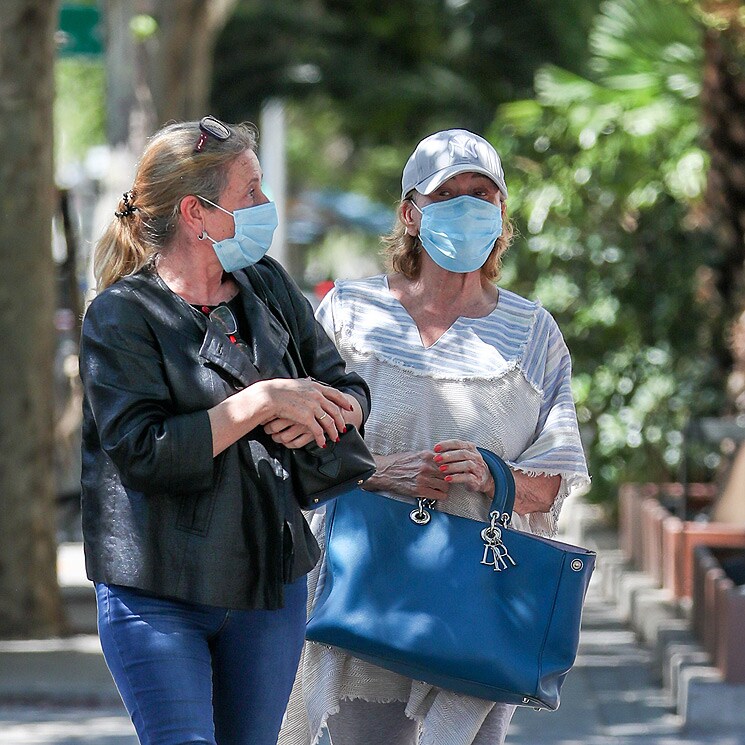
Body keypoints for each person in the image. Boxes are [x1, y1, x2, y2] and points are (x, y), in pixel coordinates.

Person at [278, 129, 590, 745]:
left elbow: (551, 484)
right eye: (448, 194)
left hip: (469, 608)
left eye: (483, 194)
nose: (468, 207)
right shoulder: (348, 313)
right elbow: (293, 444)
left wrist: (492, 473)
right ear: (410, 214)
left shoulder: (532, 333)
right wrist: (382, 469)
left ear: (501, 216)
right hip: (360, 593)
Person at [78, 116, 371, 745]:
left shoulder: (267, 286)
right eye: (251, 193)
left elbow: (347, 387)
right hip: (157, 590)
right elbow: (143, 452)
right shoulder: (122, 315)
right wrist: (263, 402)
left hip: (269, 581)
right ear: (197, 213)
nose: (267, 207)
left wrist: (325, 413)